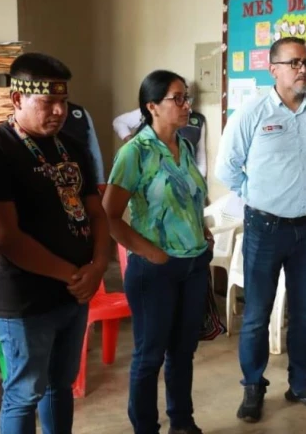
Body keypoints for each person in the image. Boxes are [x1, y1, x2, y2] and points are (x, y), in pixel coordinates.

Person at [0, 52, 110, 434]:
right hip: (27, 299)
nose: (59, 110)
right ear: (17, 99)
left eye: (63, 101)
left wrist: (97, 267)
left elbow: (97, 213)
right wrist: (74, 274)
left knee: (59, 386)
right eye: (47, 101)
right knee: (24, 394)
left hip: (74, 294)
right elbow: (6, 238)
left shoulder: (73, 148)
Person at [216, 36, 306, 422]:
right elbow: (227, 169)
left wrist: (302, 192)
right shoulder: (252, 112)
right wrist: (258, 195)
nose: (302, 69)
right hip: (264, 229)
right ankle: (253, 387)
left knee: (305, 313)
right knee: (256, 313)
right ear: (273, 69)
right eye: (293, 63)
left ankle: (302, 383)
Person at [103, 70, 212, 434]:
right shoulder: (135, 152)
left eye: (187, 98)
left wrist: (203, 231)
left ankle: (183, 422)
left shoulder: (185, 144)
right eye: (177, 99)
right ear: (152, 106)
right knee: (149, 357)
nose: (186, 106)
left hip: (194, 265)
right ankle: (146, 428)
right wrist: (151, 253)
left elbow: (190, 199)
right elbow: (109, 217)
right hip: (156, 271)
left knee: (183, 352)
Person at [113, 81, 208, 176]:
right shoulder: (151, 111)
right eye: (178, 98)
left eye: (187, 98)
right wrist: (131, 142)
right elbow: (118, 122)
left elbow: (200, 159)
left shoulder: (198, 121)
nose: (185, 103)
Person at [61, 101, 106, 189]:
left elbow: (94, 150)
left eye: (62, 101)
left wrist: (100, 181)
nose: (59, 111)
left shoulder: (80, 112)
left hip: (83, 182)